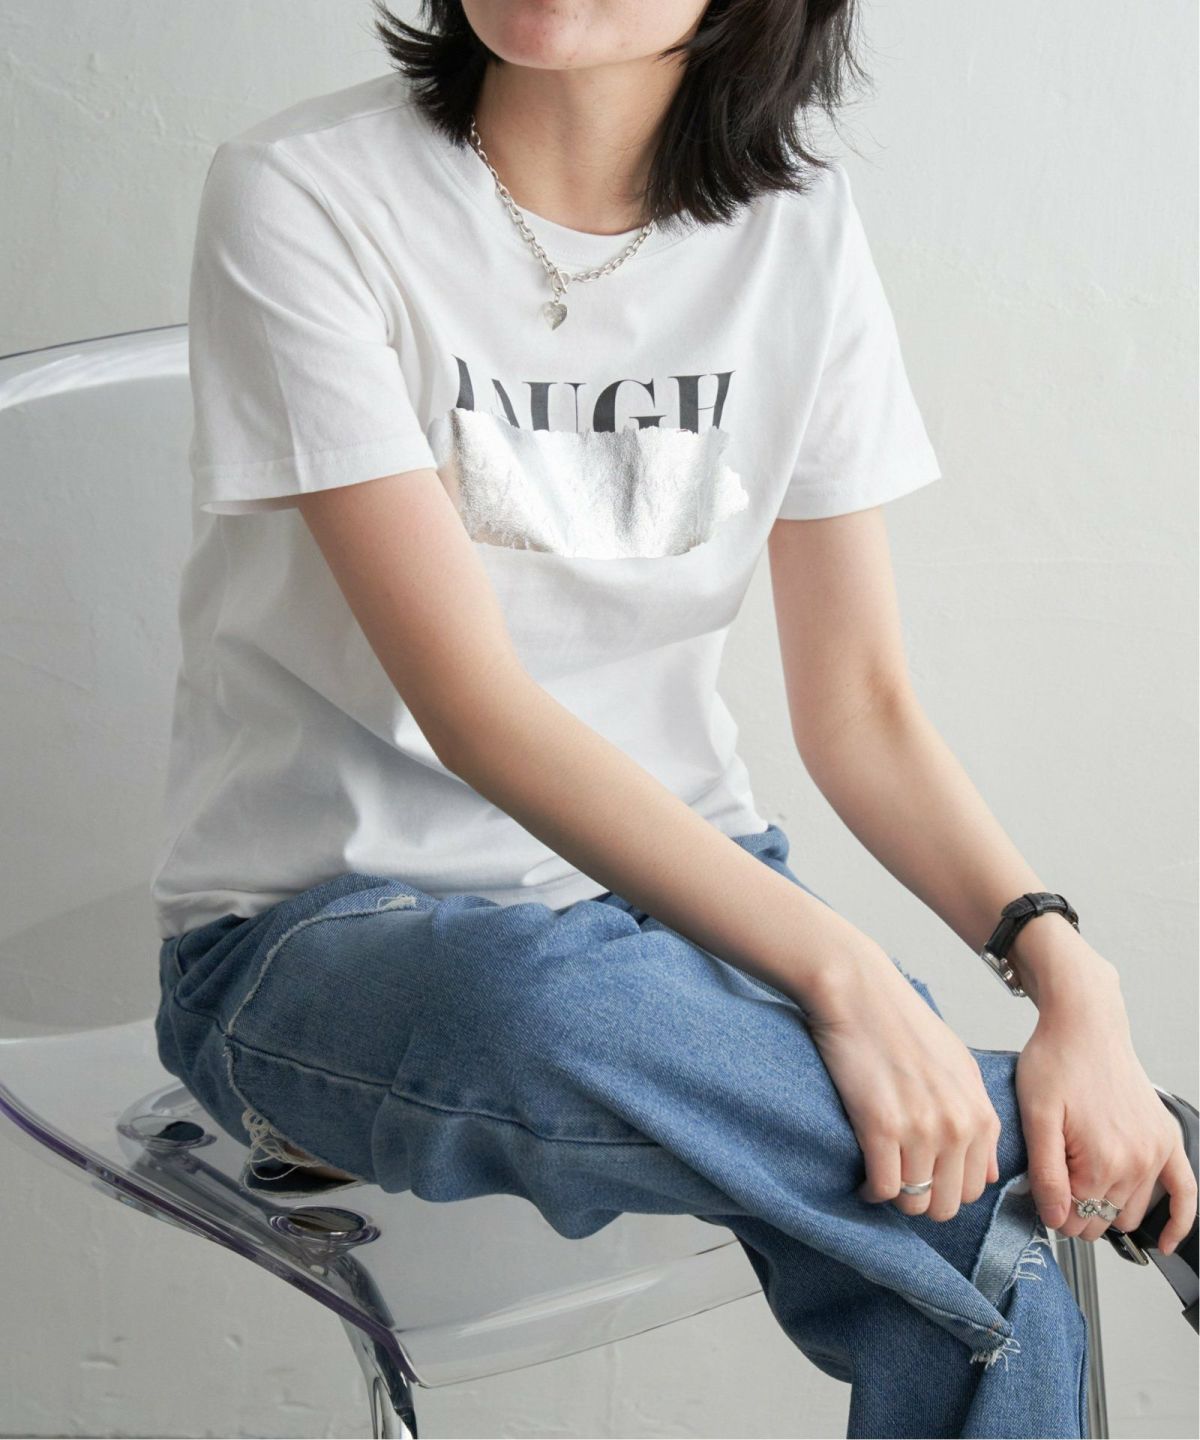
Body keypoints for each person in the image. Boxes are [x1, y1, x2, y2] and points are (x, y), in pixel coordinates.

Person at [151, 2, 1198, 1434]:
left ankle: (1033, 1136)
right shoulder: (309, 192)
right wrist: (851, 979)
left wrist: (1076, 984)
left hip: (695, 912)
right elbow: (474, 708)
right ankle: (1095, 1152)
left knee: (959, 1217)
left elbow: (864, 708)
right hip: (321, 940)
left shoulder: (795, 228)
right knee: (570, 1013)